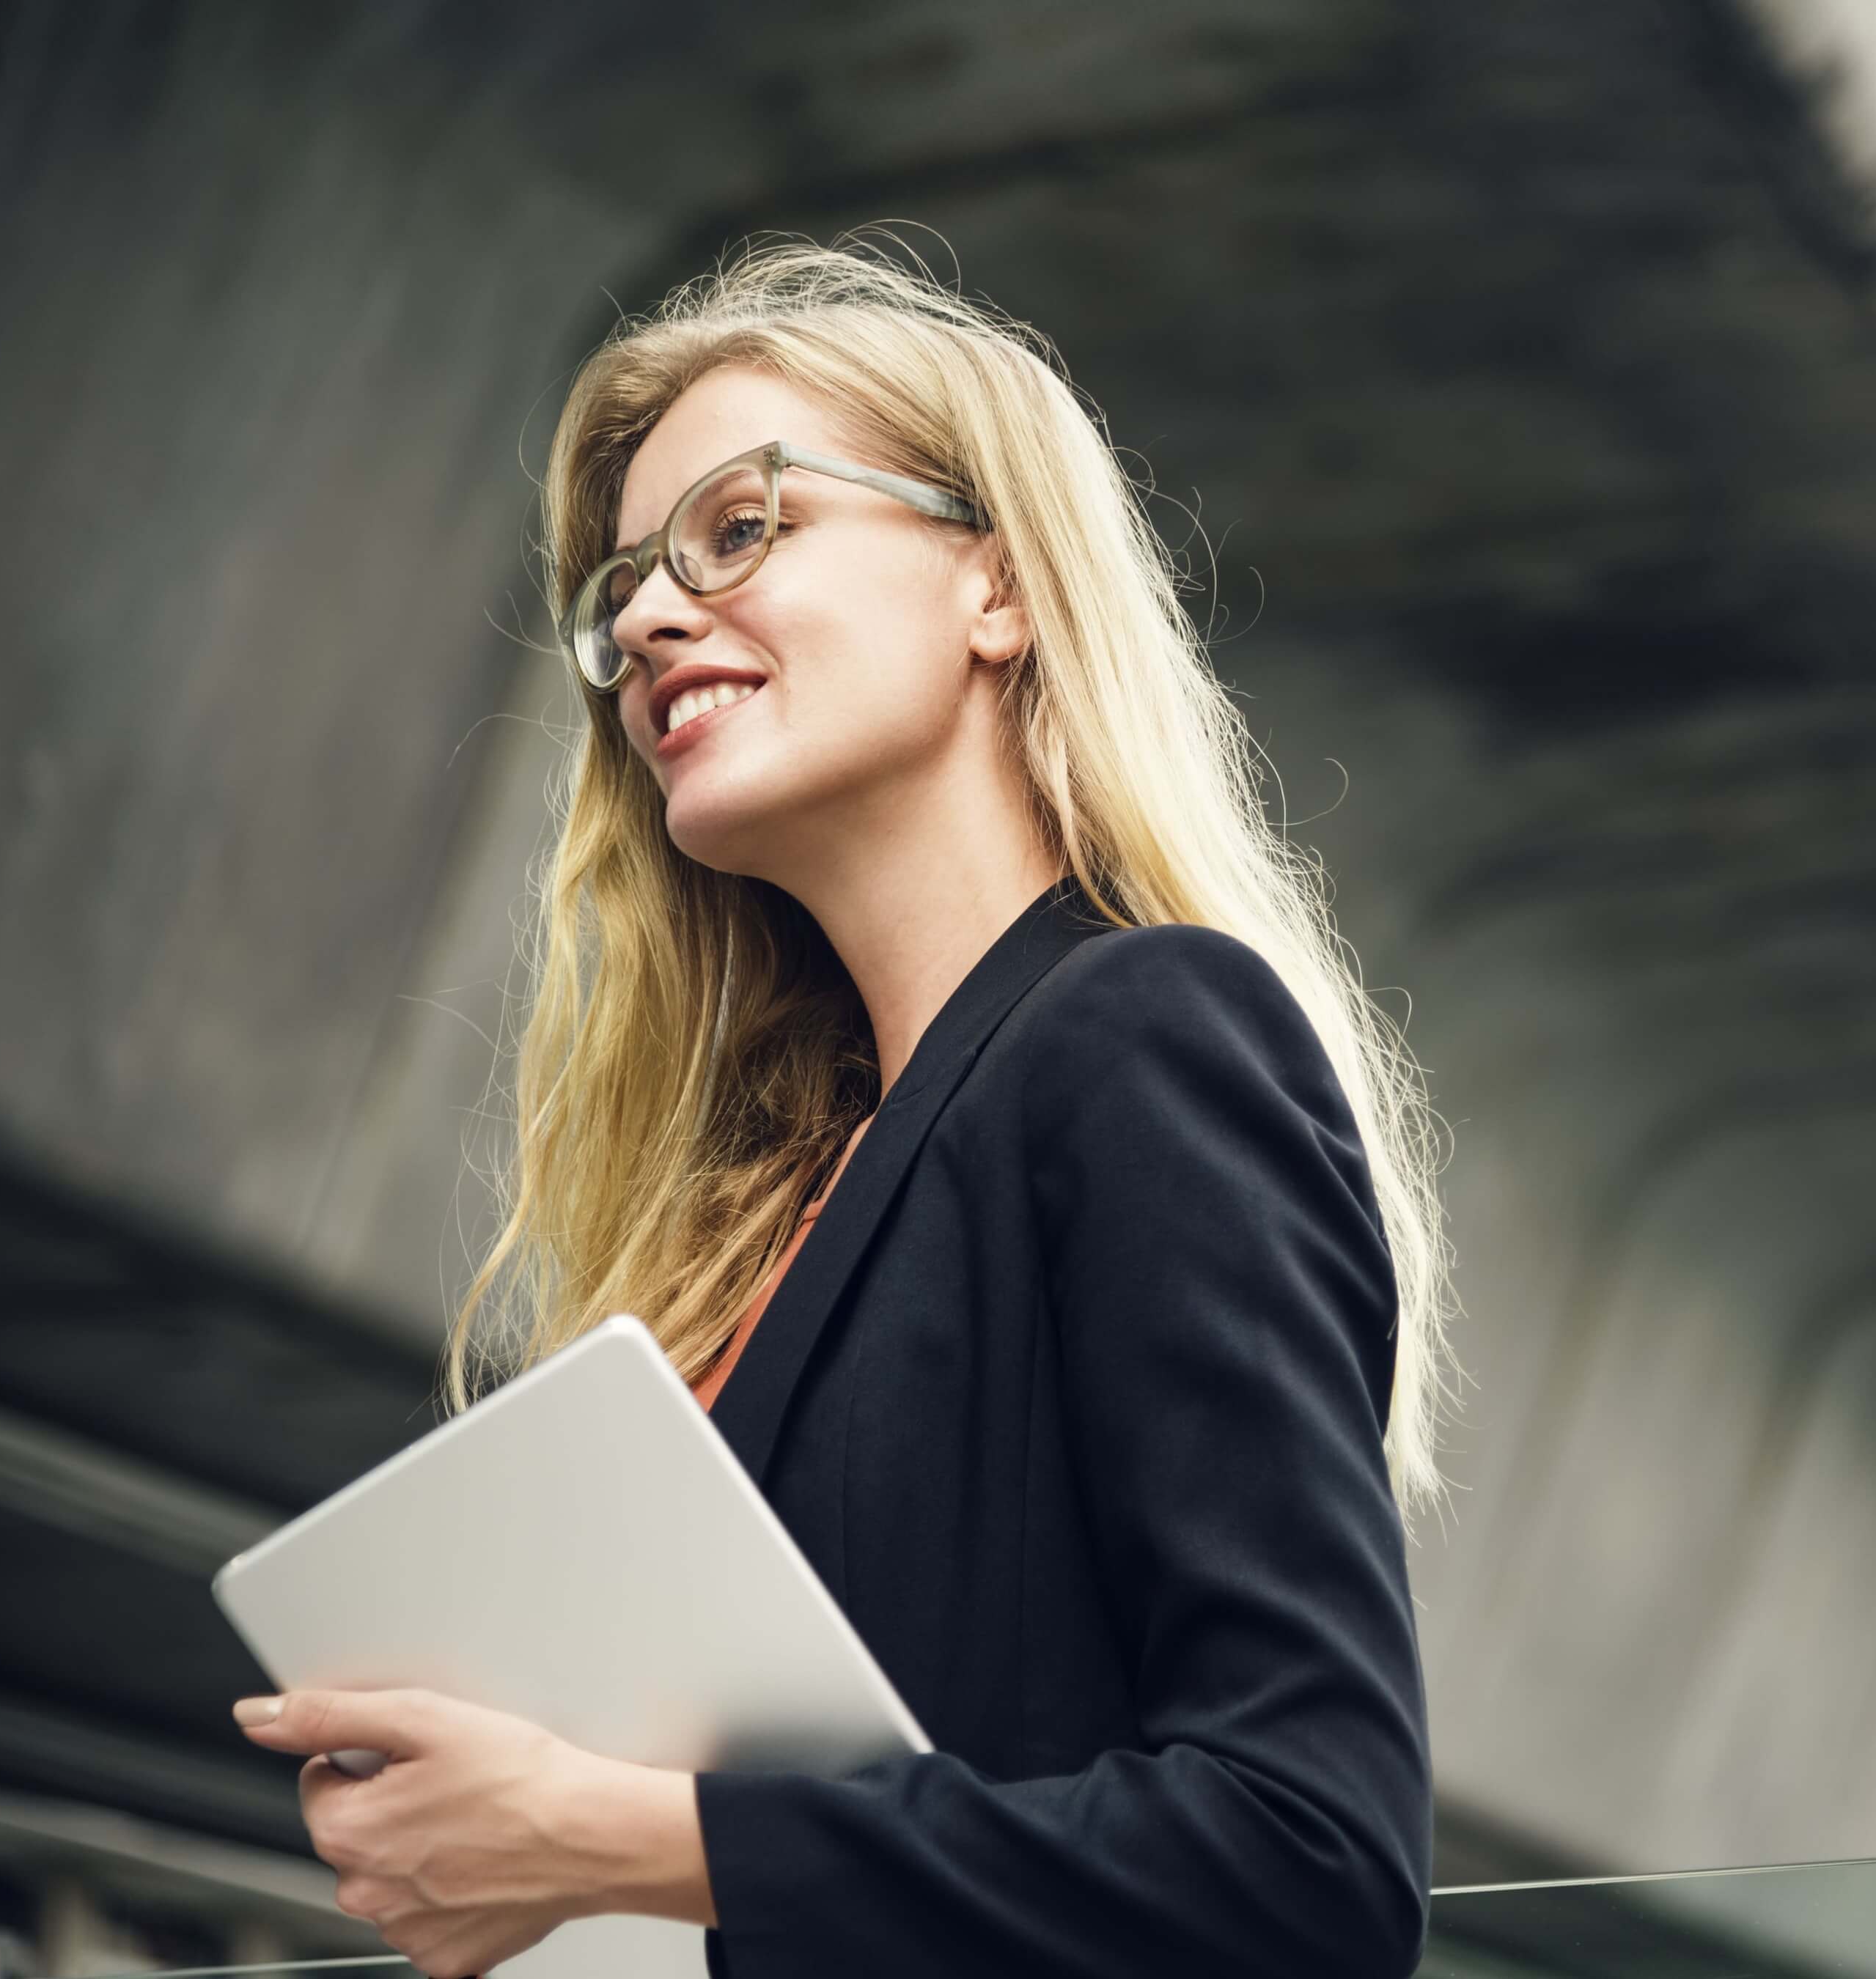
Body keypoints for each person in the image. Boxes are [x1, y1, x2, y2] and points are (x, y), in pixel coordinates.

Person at [234, 232, 1456, 1979]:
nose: (648, 615)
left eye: (741, 529)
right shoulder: (786, 1196)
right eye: (624, 588)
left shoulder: (1144, 1034)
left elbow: (1309, 1863)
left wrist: (626, 1840)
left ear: (999, 587)